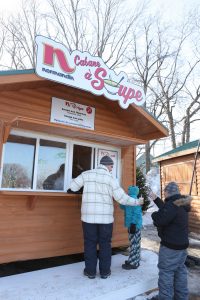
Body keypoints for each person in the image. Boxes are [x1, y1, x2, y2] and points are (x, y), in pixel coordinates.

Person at [68, 155, 143, 279]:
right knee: (105, 245)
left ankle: (90, 272)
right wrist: (137, 202)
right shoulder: (110, 179)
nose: (112, 169)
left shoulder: (86, 174)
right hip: (105, 220)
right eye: (111, 166)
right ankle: (105, 272)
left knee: (90, 244)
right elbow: (121, 198)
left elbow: (73, 186)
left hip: (88, 218)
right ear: (107, 165)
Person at [149, 181, 192, 300]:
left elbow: (160, 219)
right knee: (180, 272)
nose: (164, 194)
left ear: (168, 192)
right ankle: (182, 297)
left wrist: (153, 215)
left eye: (164, 192)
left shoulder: (172, 205)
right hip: (182, 246)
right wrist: (156, 199)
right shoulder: (180, 203)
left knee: (166, 273)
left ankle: (165, 297)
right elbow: (167, 210)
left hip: (170, 248)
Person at [120, 185, 143, 270]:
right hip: (133, 225)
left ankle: (133, 263)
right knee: (135, 244)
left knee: (134, 244)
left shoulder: (134, 200)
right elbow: (122, 207)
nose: (128, 191)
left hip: (134, 225)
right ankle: (134, 260)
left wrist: (133, 224)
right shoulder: (131, 199)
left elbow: (137, 214)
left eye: (128, 190)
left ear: (130, 191)